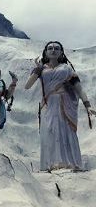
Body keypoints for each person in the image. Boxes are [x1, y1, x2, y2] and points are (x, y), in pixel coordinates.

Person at [25, 41, 95, 171]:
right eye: (50, 48)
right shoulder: (42, 69)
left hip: (65, 104)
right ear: (45, 52)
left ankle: (70, 162)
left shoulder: (67, 69)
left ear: (61, 52)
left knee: (66, 132)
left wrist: (87, 105)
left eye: (57, 48)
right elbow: (27, 85)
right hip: (49, 105)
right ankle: (52, 163)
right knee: (50, 132)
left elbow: (79, 88)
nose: (53, 50)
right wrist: (38, 68)